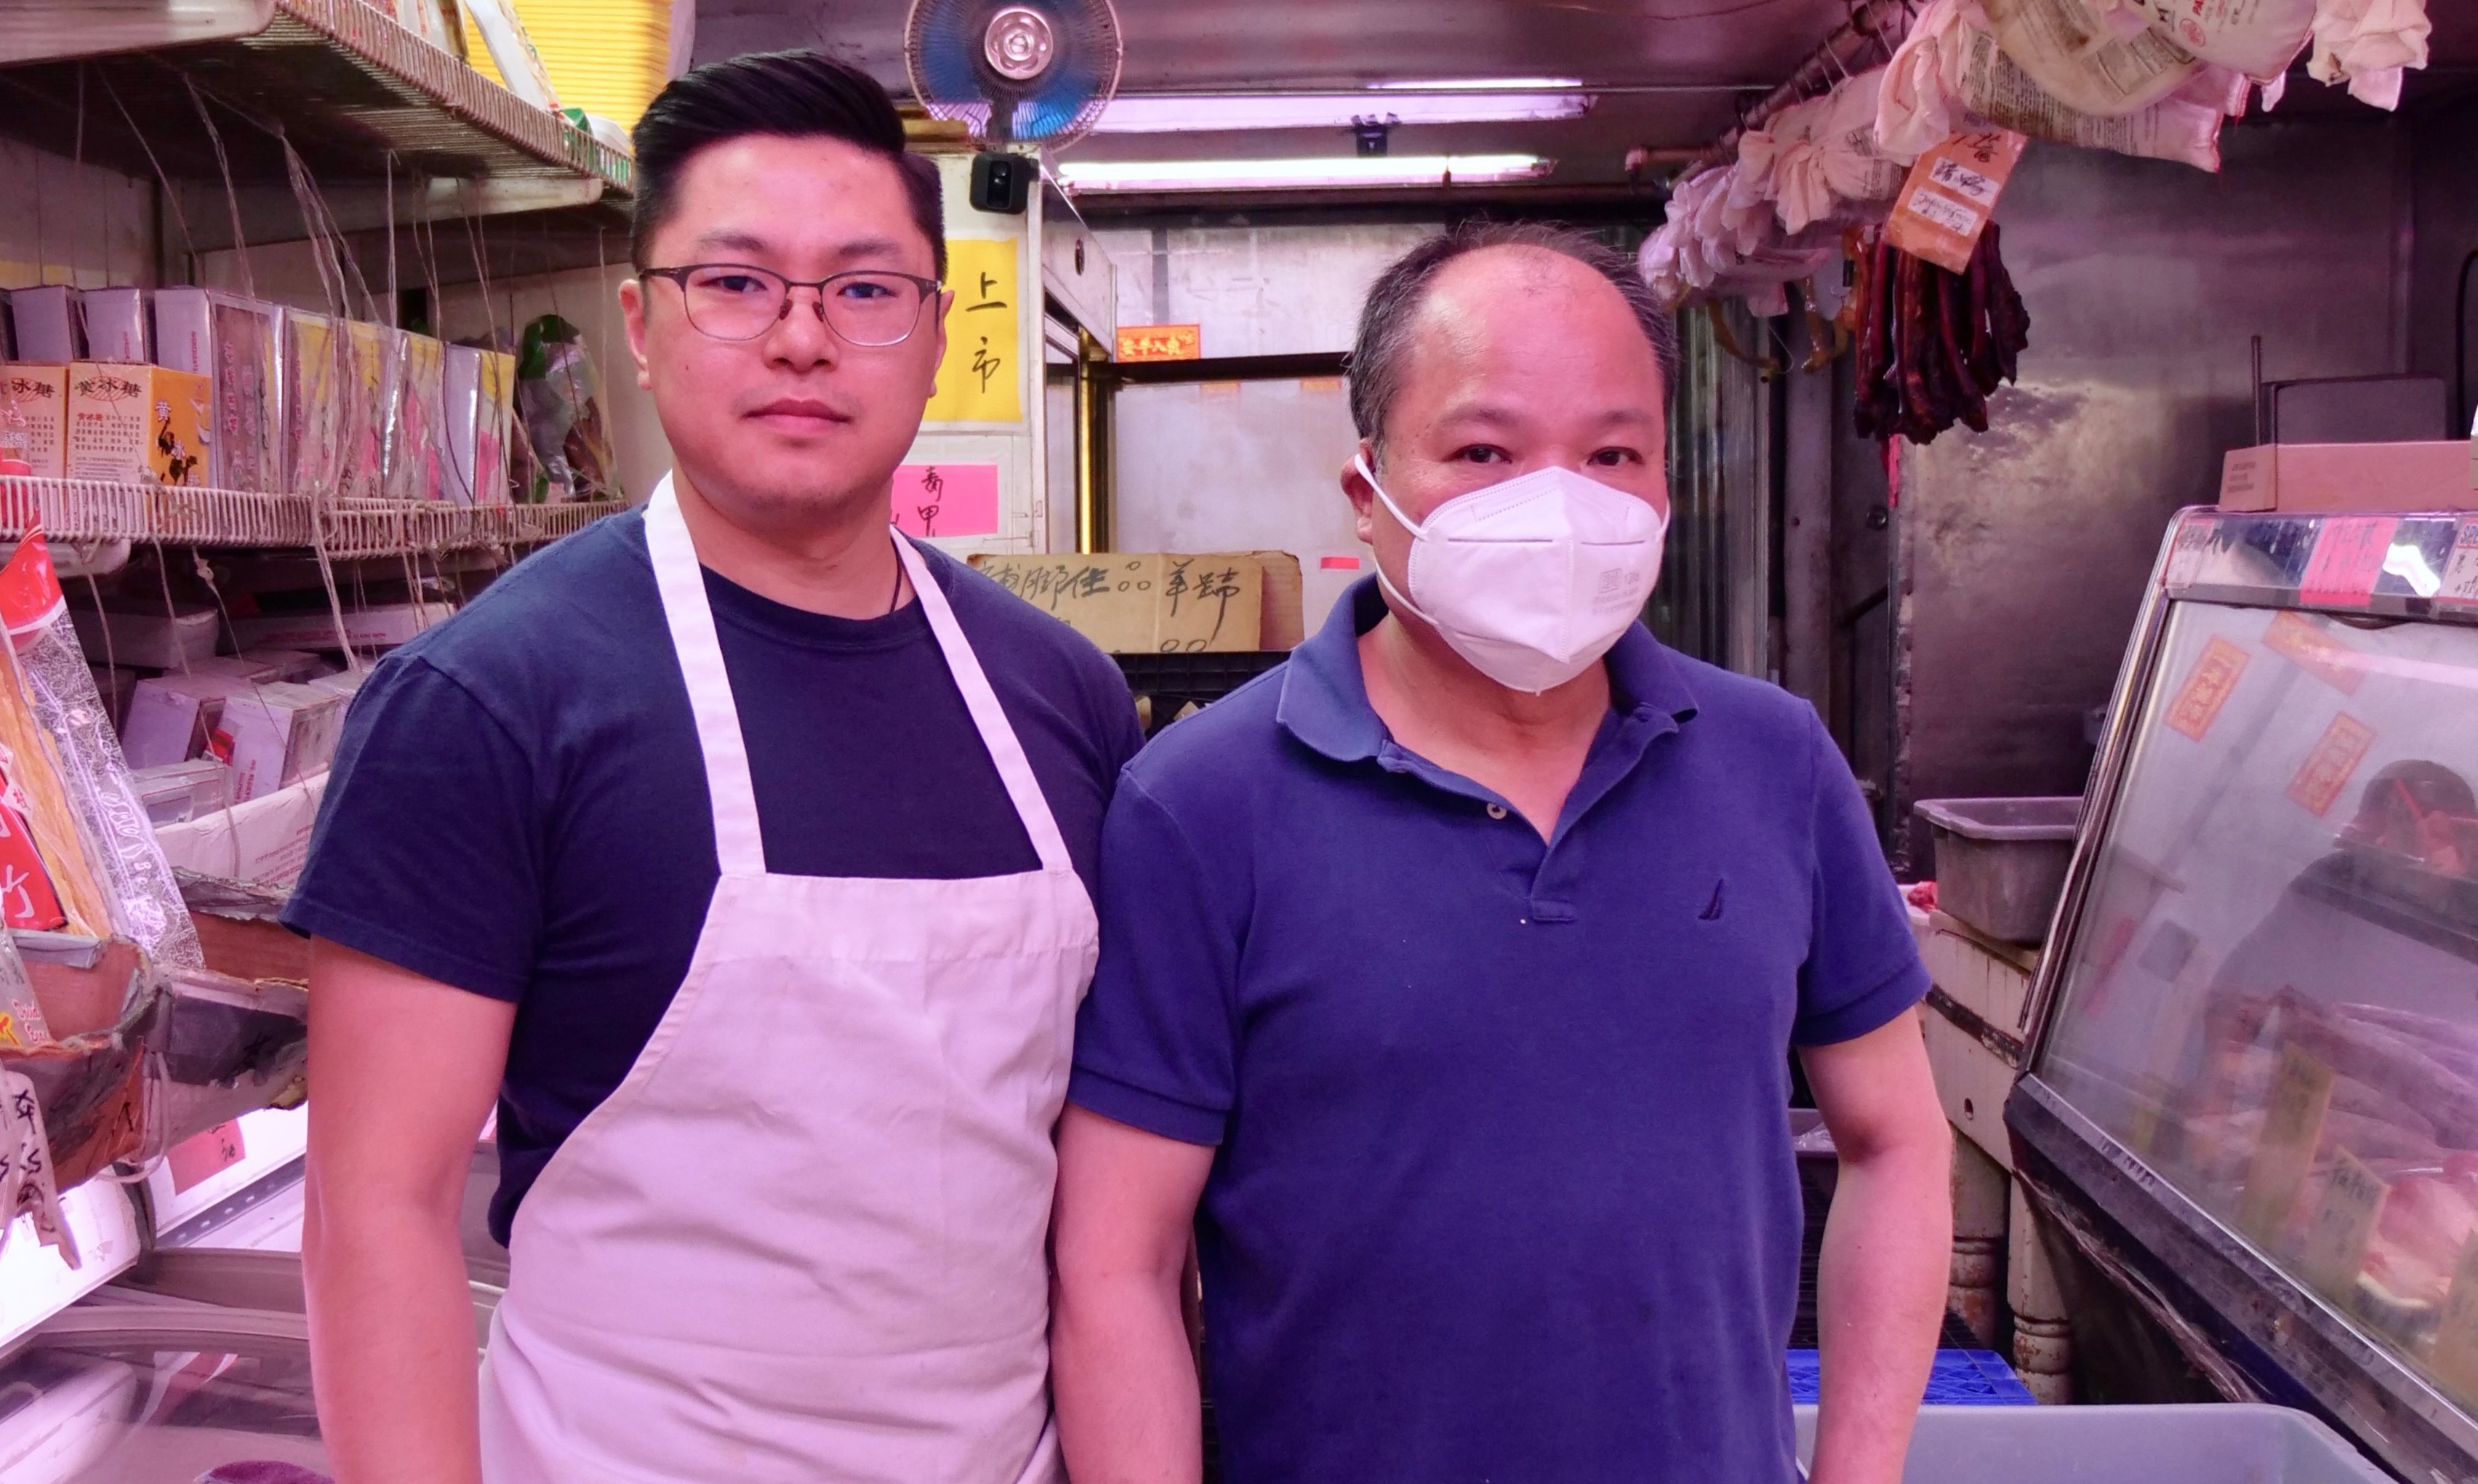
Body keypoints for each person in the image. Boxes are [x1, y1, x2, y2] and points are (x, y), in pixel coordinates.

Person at [291, 52, 1143, 1484]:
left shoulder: (1058, 693)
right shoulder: (486, 703)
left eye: (863, 290)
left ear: (936, 334)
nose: (802, 339)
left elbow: (1103, 1200)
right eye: (735, 283)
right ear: (640, 323)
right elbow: (377, 1206)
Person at [1049, 222, 1952, 1484]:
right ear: (1366, 490)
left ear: (1662, 489)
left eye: (1611, 453)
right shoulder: (1200, 805)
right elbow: (1118, 1262)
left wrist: (1858, 1469)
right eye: (1484, 451)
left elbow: (1895, 1138)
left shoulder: (1775, 763)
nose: (1556, 505)